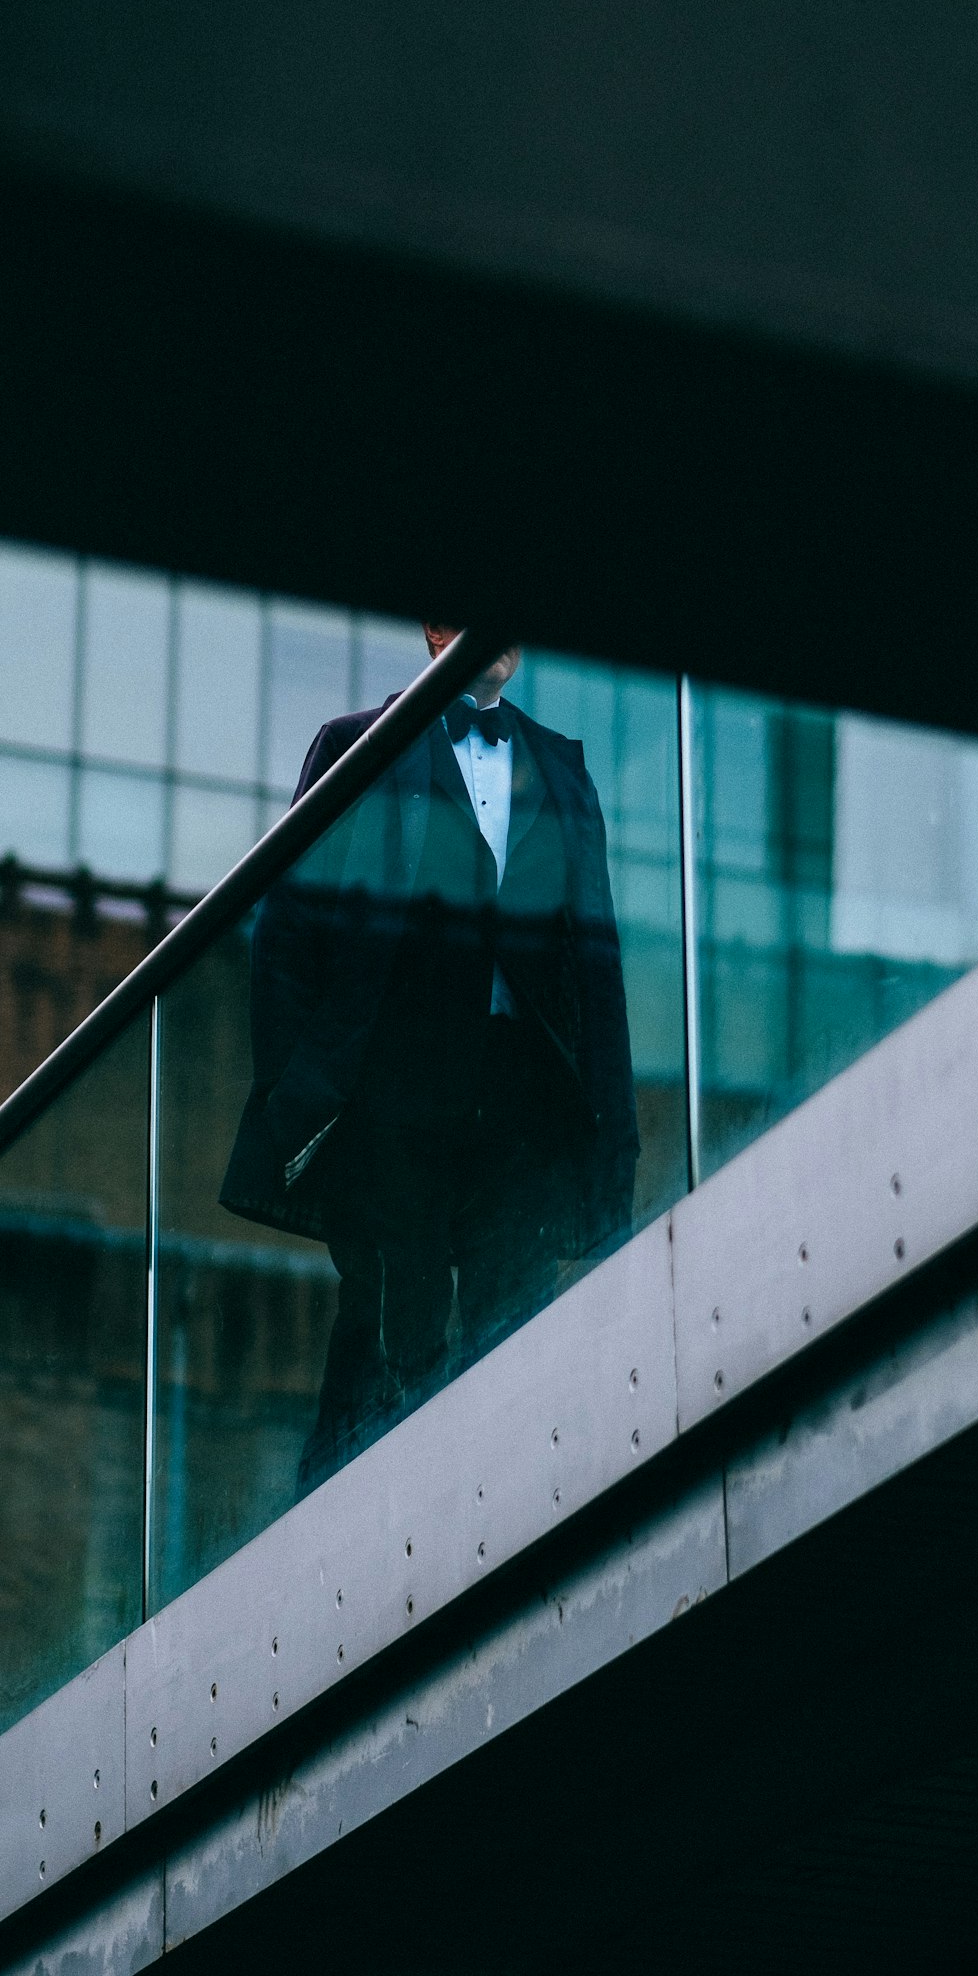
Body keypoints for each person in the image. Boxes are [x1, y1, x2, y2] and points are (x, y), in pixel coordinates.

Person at [221, 626, 639, 1493]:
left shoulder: (561, 768)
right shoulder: (356, 747)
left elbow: (594, 965)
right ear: (437, 629)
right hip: (392, 1100)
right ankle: (337, 1518)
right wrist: (297, 1091)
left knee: (514, 1323)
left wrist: (613, 1138)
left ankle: (511, 1509)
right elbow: (289, 929)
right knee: (387, 1326)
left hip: (521, 1101)